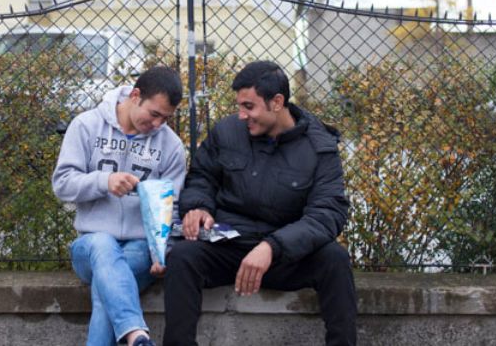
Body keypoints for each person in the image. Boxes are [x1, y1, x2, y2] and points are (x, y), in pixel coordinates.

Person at [163, 61, 357, 346]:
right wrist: (198, 208)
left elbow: (327, 214)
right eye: (240, 106)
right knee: (182, 257)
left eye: (249, 107)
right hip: (229, 245)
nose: (242, 115)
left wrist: (272, 247)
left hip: (284, 255)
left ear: (277, 102)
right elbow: (202, 176)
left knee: (335, 260)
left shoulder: (320, 147)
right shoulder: (227, 131)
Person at [52, 66, 188, 346]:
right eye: (154, 114)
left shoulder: (171, 146)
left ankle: (137, 337)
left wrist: (162, 252)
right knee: (103, 246)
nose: (159, 124)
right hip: (89, 246)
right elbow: (63, 185)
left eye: (166, 118)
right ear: (135, 95)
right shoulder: (86, 126)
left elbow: (172, 206)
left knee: (107, 292)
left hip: (141, 248)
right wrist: (103, 181)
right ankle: (136, 332)